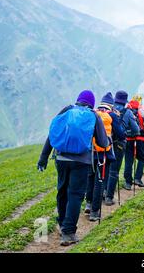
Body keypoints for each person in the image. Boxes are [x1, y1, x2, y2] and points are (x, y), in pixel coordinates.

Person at [37, 90, 109, 246]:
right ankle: (68, 233)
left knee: (62, 191)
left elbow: (53, 134)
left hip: (61, 159)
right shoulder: (93, 115)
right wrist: (106, 140)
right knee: (75, 195)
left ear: (78, 100)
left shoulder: (66, 110)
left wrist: (43, 158)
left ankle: (62, 223)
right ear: (92, 103)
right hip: (82, 162)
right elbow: (103, 143)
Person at [85, 92, 125, 221]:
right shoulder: (112, 115)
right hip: (104, 153)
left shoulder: (92, 113)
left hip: (90, 152)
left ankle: (88, 203)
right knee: (100, 181)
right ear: (111, 105)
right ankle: (95, 212)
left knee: (90, 178)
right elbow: (121, 134)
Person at [102, 90, 140, 202]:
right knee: (114, 170)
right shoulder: (127, 112)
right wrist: (128, 133)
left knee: (106, 169)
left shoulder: (109, 109)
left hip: (106, 141)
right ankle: (109, 197)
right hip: (119, 143)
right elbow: (136, 129)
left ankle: (102, 193)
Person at [123, 96, 144, 190]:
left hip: (128, 139)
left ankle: (128, 182)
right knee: (142, 159)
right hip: (140, 139)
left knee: (128, 161)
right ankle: (137, 179)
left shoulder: (126, 110)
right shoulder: (142, 111)